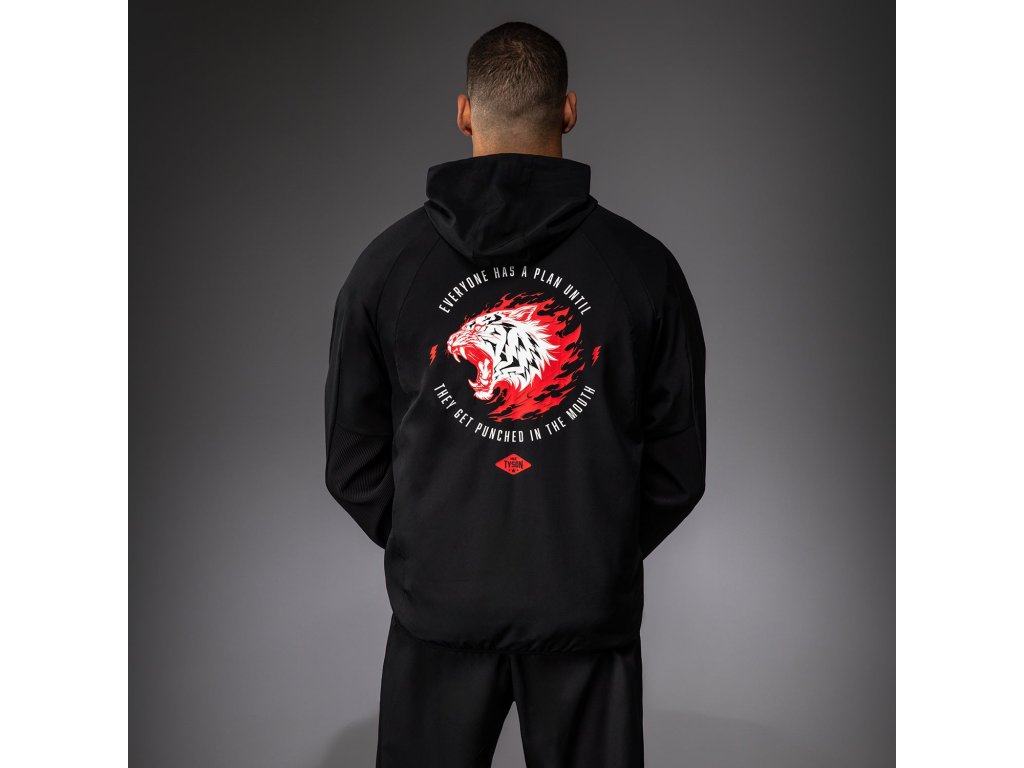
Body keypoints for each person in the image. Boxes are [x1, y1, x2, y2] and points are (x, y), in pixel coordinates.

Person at [324, 20, 707, 768]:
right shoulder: (643, 268)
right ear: (569, 110)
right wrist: (589, 545)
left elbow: (350, 455)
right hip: (584, 611)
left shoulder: (387, 266)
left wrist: (437, 543)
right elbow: (677, 460)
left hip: (439, 612)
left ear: (464, 113)